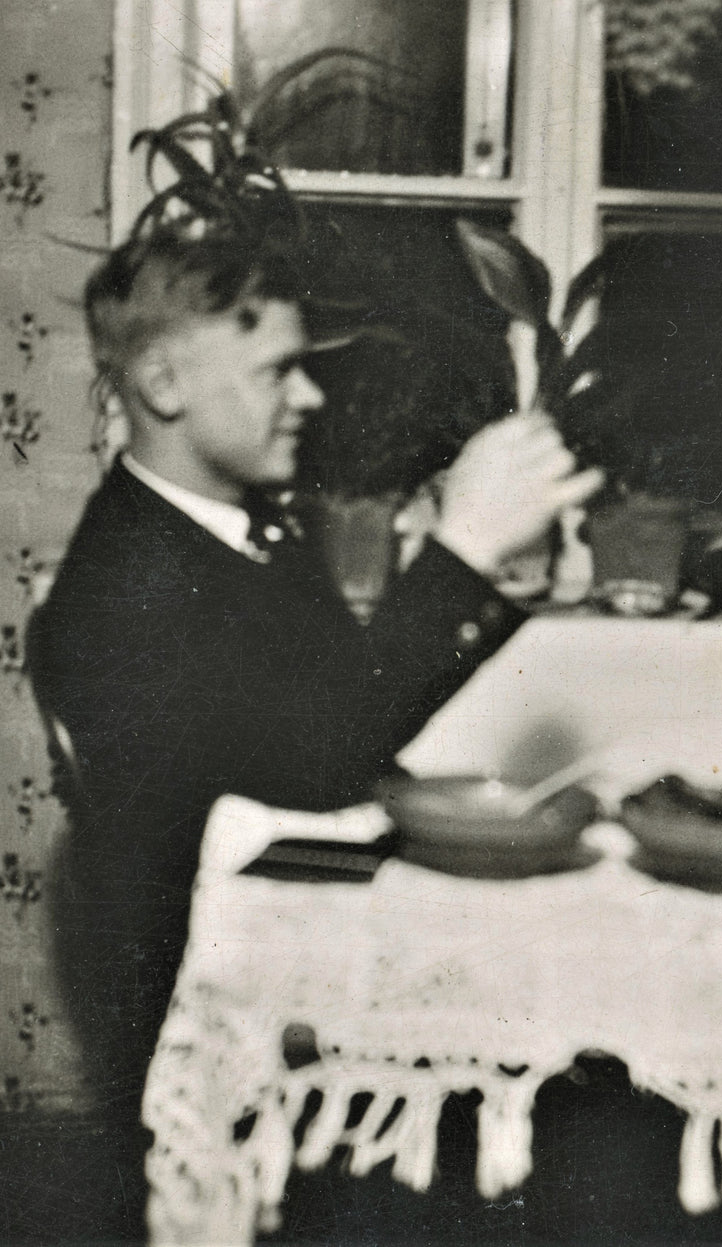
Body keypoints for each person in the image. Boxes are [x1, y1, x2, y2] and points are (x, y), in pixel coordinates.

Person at [27, 230, 603, 1137]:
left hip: (297, 947)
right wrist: (458, 555)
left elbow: (353, 704)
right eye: (275, 372)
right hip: (240, 1022)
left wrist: (493, 580)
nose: (309, 396)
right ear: (162, 385)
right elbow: (317, 762)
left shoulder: (237, 528)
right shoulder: (124, 586)